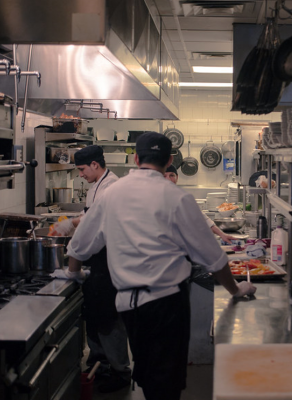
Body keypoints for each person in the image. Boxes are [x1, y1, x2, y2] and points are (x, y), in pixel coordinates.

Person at [64, 132, 256, 400]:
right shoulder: (176, 197)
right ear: (169, 160)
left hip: (128, 306)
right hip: (167, 305)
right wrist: (235, 290)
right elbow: (214, 258)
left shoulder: (112, 194)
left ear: (136, 158)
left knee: (147, 376)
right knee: (166, 383)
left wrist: (73, 273)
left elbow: (80, 243)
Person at [51, 146, 132, 393]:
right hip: (98, 259)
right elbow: (89, 215)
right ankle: (100, 364)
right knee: (96, 315)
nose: (81, 174)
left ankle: (120, 372)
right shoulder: (96, 186)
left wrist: (70, 225)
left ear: (95, 165)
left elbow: (94, 222)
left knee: (108, 317)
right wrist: (72, 223)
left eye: (82, 169)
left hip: (110, 259)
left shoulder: (111, 187)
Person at [164, 165, 238, 244]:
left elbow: (203, 218)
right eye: (164, 176)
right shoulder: (154, 198)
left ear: (177, 177)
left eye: (172, 175)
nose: (168, 179)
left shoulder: (183, 198)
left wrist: (222, 234)